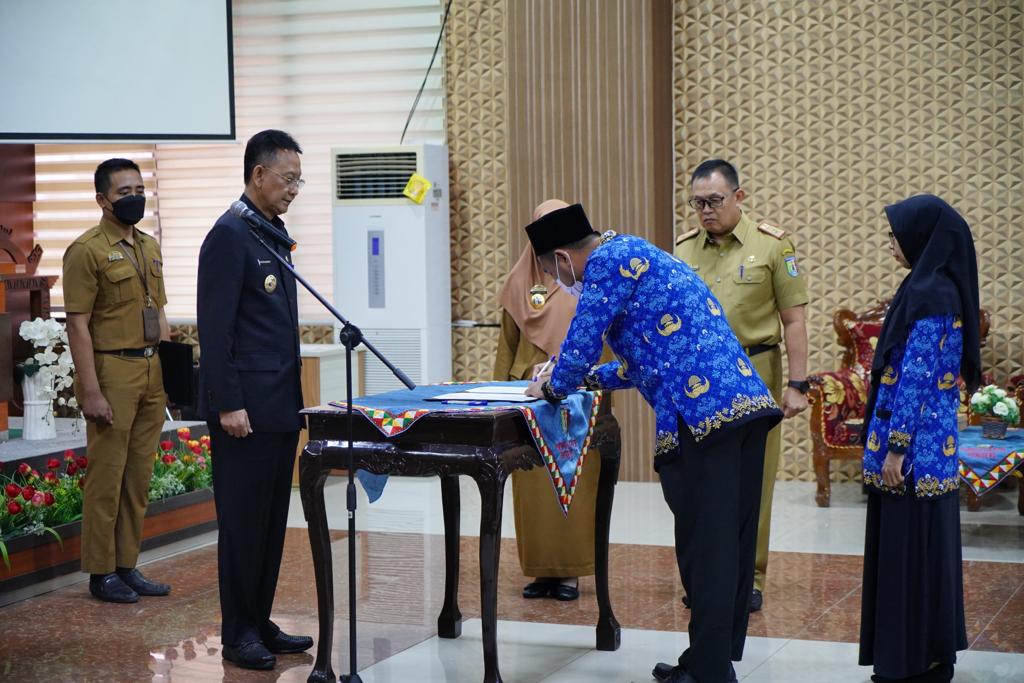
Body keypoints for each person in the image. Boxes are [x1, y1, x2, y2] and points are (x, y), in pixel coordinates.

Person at [524, 203, 782, 683]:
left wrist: (554, 385)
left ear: (561, 258)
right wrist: (587, 380)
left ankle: (711, 672)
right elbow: (643, 360)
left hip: (703, 417)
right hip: (742, 409)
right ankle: (707, 659)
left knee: (705, 546)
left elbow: (582, 341)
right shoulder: (633, 252)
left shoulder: (603, 263)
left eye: (551, 272)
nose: (558, 282)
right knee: (727, 541)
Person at [197, 129, 312, 671]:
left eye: (299, 181)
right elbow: (215, 329)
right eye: (287, 179)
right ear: (258, 174)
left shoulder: (270, 232)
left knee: (269, 524)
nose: (294, 189)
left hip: (277, 407)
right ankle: (237, 633)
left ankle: (259, 620)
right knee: (243, 525)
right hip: (243, 412)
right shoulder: (229, 235)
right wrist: (227, 403)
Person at [674, 159, 809, 612]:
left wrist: (798, 384)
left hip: (755, 373)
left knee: (753, 480)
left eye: (714, 201)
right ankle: (705, 575)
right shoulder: (684, 249)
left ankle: (749, 576)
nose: (706, 211)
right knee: (700, 480)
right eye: (697, 203)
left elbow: (794, 320)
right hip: (698, 379)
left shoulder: (772, 246)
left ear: (739, 196)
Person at [859, 194, 978, 683]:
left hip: (914, 455)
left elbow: (916, 378)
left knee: (911, 556)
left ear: (921, 238)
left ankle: (914, 663)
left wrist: (897, 448)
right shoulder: (924, 286)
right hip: (922, 450)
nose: (891, 243)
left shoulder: (932, 294)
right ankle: (916, 657)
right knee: (914, 555)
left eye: (896, 235)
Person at [64, 158, 171, 604]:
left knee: (138, 476)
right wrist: (90, 390)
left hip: (150, 370)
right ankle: (100, 571)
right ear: (102, 200)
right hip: (112, 371)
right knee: (107, 476)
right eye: (124, 192)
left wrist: (170, 375)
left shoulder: (148, 245)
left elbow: (159, 312)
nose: (135, 198)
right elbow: (77, 325)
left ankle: (126, 564)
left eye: (139, 190)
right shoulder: (86, 250)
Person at [494, 198, 610, 602]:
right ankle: (540, 569)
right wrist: (499, 394)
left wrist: (596, 389)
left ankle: (570, 571)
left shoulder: (586, 278)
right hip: (528, 399)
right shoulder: (518, 282)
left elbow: (604, 339)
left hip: (576, 399)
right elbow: (506, 346)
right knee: (532, 485)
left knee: (574, 481)